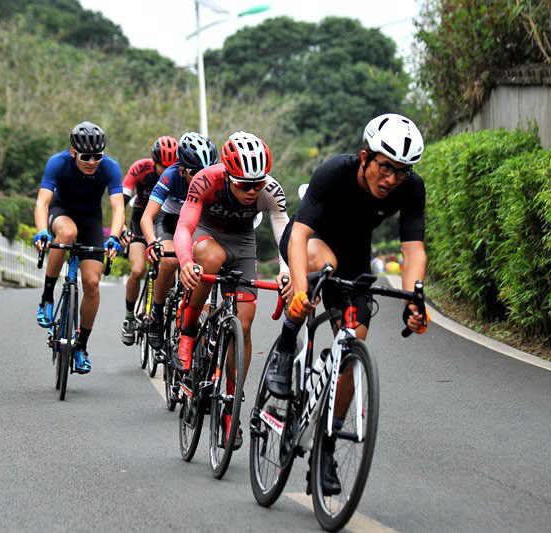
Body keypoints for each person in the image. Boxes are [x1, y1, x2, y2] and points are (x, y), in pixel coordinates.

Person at [264, 113, 429, 495]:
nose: (392, 179)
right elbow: (299, 232)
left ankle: (325, 448)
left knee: (355, 342)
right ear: (365, 156)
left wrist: (414, 298)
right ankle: (287, 346)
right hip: (311, 242)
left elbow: (413, 249)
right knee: (324, 265)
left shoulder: (410, 188)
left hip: (355, 254)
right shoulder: (334, 172)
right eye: (385, 167)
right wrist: (301, 291)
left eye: (401, 172)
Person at [174, 131, 290, 449]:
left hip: (243, 245)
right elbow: (184, 226)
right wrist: (185, 262)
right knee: (209, 260)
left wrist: (286, 271)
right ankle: (187, 332)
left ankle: (231, 405)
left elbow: (284, 231)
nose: (252, 191)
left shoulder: (269, 189)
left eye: (257, 184)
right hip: (207, 235)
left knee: (246, 322)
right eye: (243, 185)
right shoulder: (205, 180)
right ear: (227, 174)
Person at [33, 121, 124, 374]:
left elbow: (118, 207)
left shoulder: (110, 168)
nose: (92, 161)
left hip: (91, 220)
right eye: (86, 157)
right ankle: (47, 298)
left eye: (98, 156)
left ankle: (81, 346)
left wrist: (114, 237)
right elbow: (42, 202)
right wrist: (42, 230)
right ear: (73, 152)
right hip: (62, 214)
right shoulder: (58, 162)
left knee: (92, 284)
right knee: (67, 232)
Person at [140, 131, 217, 350]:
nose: (204, 178)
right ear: (182, 170)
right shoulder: (171, 175)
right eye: (197, 173)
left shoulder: (215, 179)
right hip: (170, 220)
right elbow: (147, 216)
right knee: (170, 261)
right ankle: (156, 314)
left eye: (208, 172)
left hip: (197, 223)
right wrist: (152, 242)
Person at [120, 136, 178, 345]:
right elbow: (122, 199)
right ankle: (129, 317)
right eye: (163, 166)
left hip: (165, 221)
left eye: (171, 165)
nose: (166, 170)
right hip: (140, 219)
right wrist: (121, 227)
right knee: (137, 270)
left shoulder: (178, 174)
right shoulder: (140, 169)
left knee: (170, 264)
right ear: (154, 161)